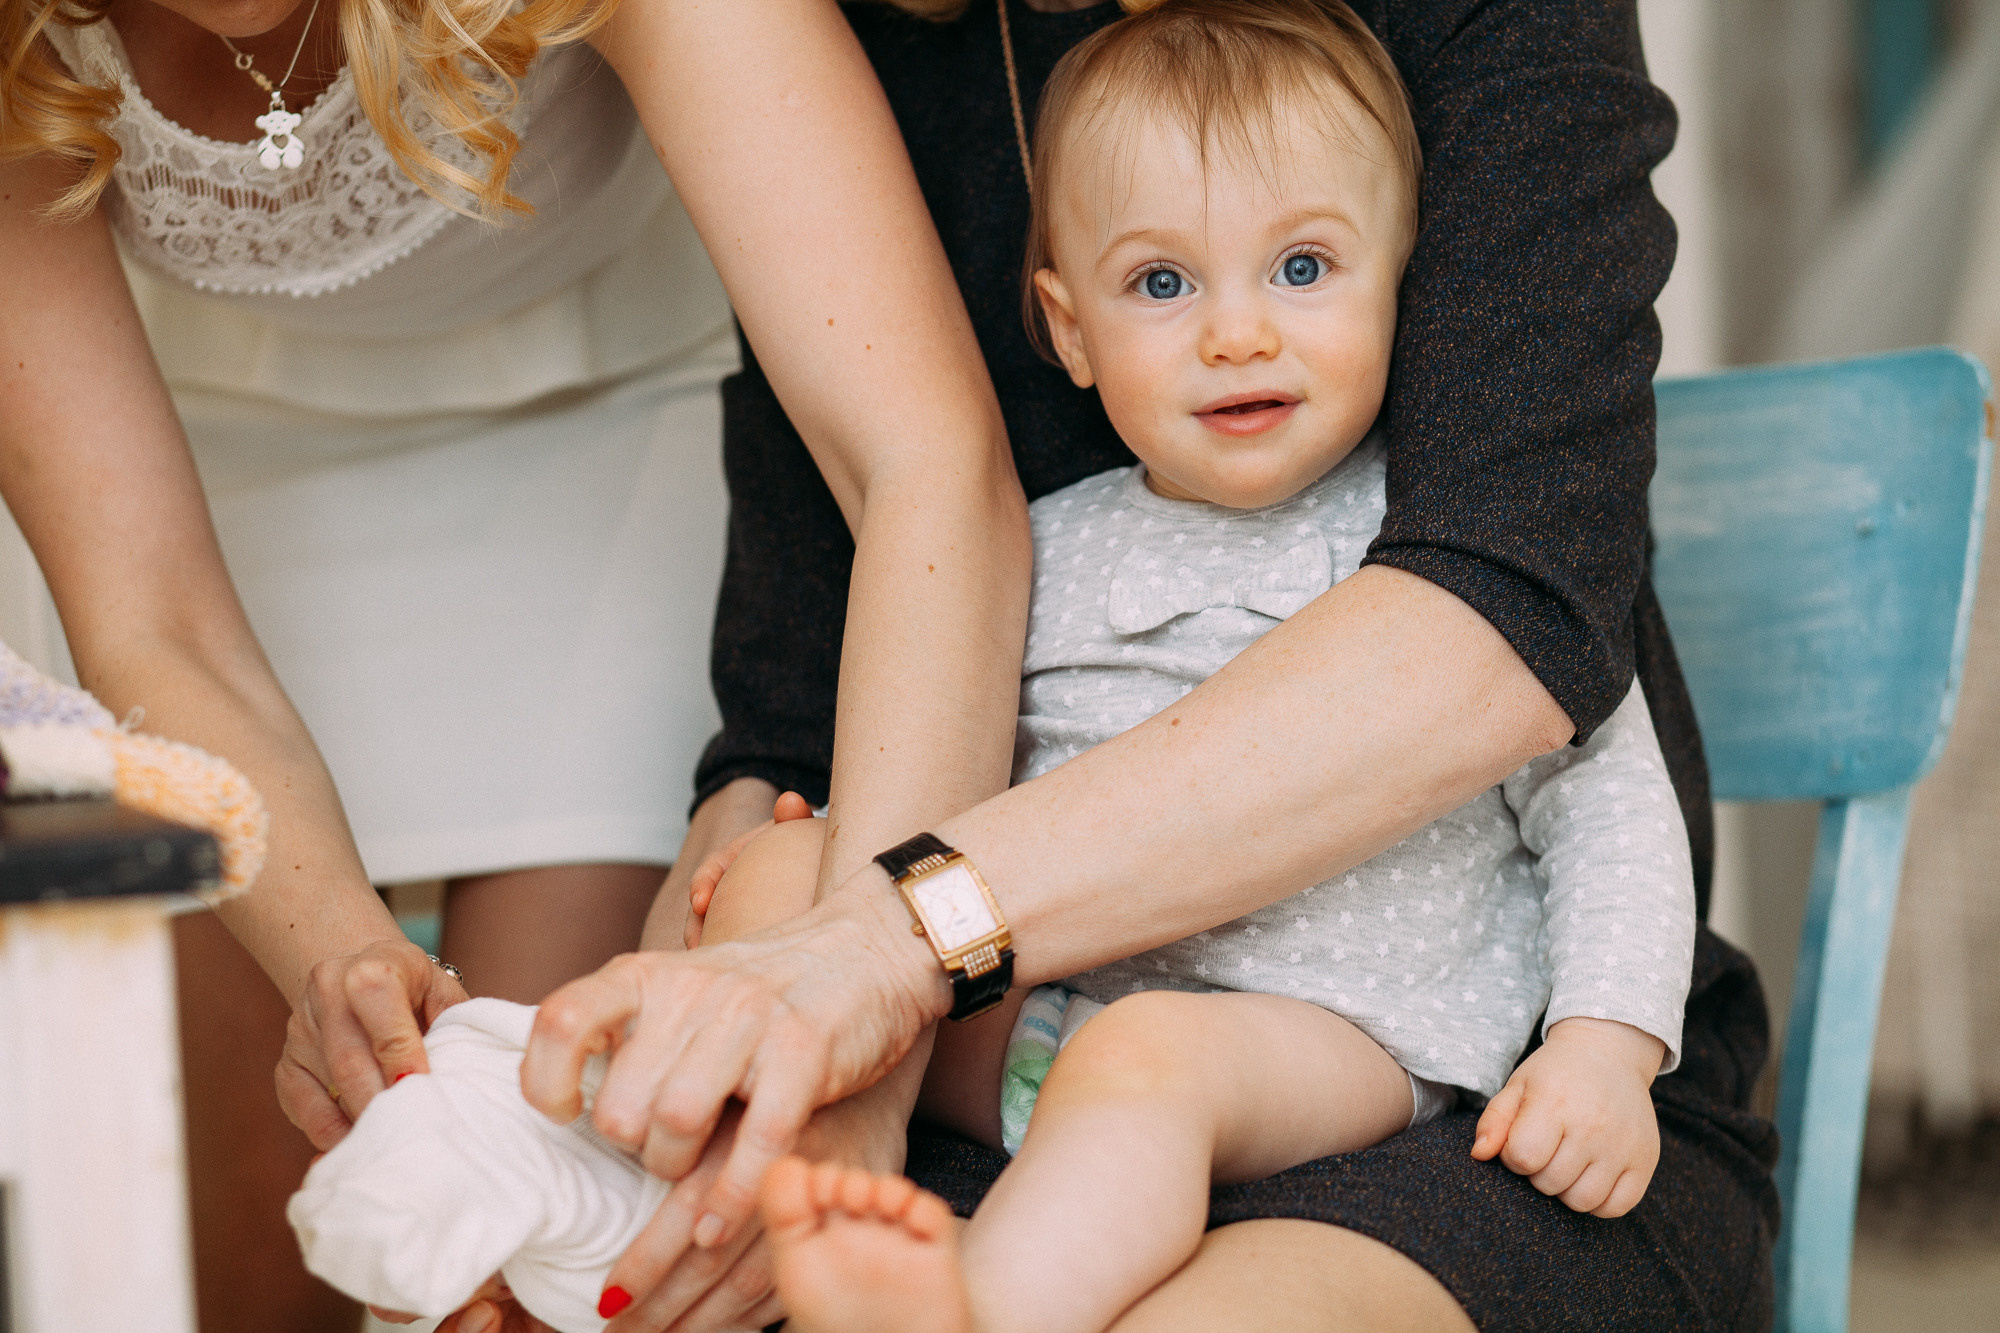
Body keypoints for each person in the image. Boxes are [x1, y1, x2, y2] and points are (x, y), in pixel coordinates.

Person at [524, 1, 1780, 1330]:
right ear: (1066, 328)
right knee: (787, 872)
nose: (1238, 333)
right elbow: (827, 743)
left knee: (1145, 1060)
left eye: (1302, 269)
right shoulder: (1042, 548)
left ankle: (978, 1312)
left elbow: (1600, 789)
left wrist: (1603, 1039)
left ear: (1406, 277)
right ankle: (638, 1199)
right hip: (1064, 1025)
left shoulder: (1403, 530)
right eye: (1163, 285)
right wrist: (761, 895)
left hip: (1362, 1047)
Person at [0, 0, 1028, 1324]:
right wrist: (340, 961)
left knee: (558, 1205)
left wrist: (868, 1019)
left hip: (603, 422)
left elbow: (925, 461)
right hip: (206, 464)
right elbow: (152, 613)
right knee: (253, 1252)